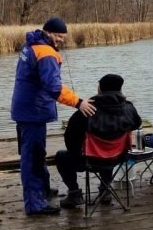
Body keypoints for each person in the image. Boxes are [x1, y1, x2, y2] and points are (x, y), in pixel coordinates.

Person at [10, 17, 95, 216]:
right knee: (32, 158)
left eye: (63, 37)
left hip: (25, 109)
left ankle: (43, 189)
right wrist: (79, 102)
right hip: (33, 112)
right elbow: (54, 88)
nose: (61, 40)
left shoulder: (31, 44)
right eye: (58, 36)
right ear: (47, 32)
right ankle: (35, 205)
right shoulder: (46, 53)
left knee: (37, 153)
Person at [56, 73, 142, 208]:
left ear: (100, 88)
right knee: (109, 149)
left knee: (61, 156)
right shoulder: (129, 108)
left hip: (90, 161)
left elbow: (70, 139)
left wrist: (79, 152)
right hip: (118, 158)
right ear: (120, 89)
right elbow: (137, 124)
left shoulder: (86, 110)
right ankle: (105, 191)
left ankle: (74, 194)